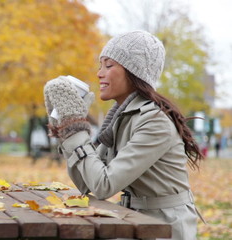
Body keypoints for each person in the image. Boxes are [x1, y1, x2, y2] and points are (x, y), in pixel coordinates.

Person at [44, 30, 204, 240]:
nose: (100, 73)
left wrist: (76, 129)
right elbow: (86, 183)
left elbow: (103, 186)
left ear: (134, 72)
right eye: (100, 65)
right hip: (131, 219)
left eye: (109, 65)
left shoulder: (154, 121)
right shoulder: (120, 118)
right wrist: (66, 130)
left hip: (165, 227)